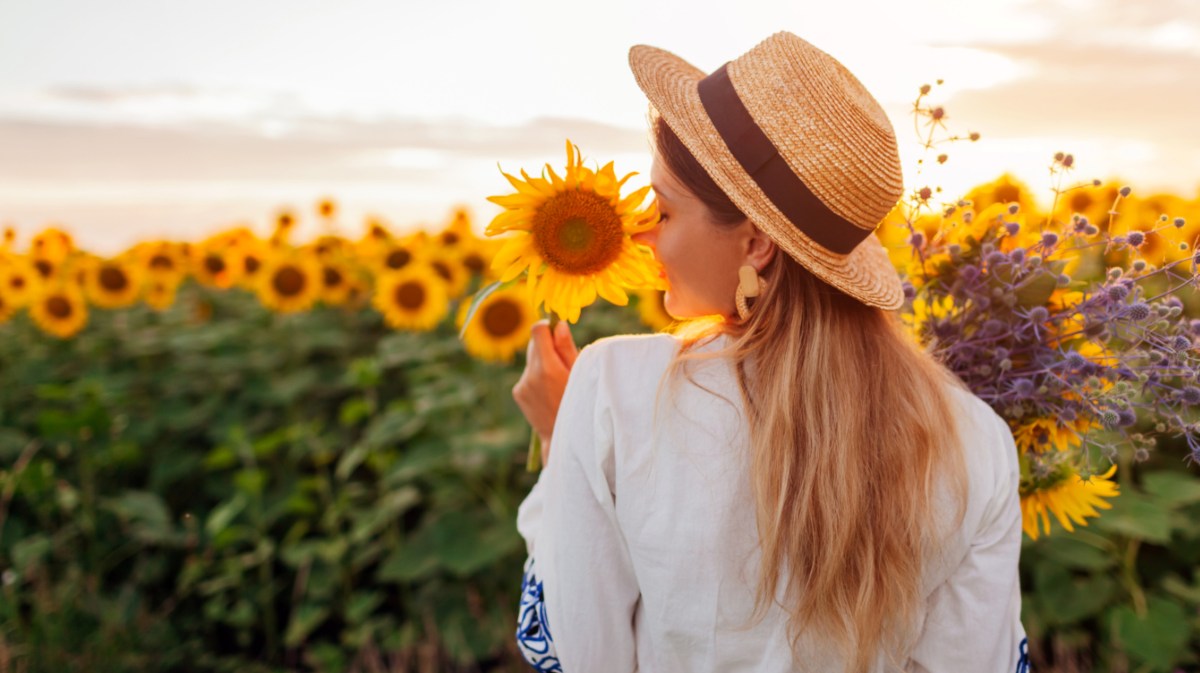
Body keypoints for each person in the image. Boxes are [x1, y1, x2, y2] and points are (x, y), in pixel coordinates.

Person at [510, 31, 1029, 673]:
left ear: (756, 245)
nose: (640, 234)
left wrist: (561, 443)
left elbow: (576, 652)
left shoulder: (615, 388)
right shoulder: (975, 439)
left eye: (664, 212)